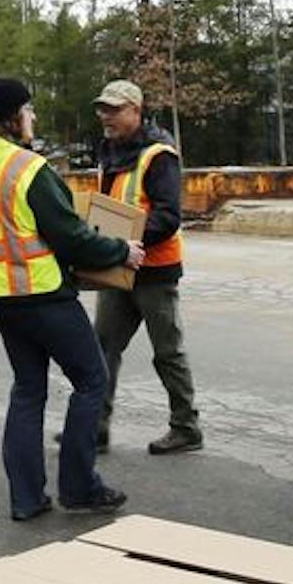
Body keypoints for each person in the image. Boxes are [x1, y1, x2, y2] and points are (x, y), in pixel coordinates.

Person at [0, 76, 141, 521]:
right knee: (92, 381)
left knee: (28, 389)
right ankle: (79, 489)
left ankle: (26, 498)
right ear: (12, 117)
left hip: (1, 297)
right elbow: (73, 238)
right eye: (28, 108)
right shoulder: (27, 168)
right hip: (42, 295)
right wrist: (122, 251)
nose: (34, 116)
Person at [86, 79, 201, 455]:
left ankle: (186, 428)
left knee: (168, 352)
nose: (106, 116)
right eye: (103, 109)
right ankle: (96, 428)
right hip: (118, 266)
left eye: (114, 109)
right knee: (101, 348)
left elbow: (168, 217)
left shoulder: (159, 155)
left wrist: (129, 243)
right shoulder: (110, 151)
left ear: (136, 110)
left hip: (154, 270)